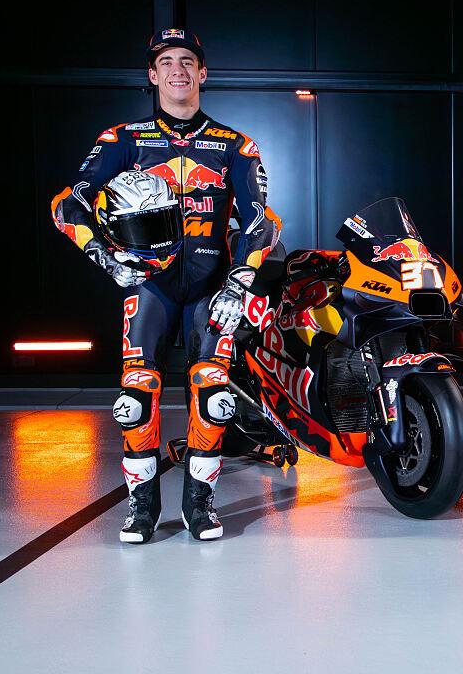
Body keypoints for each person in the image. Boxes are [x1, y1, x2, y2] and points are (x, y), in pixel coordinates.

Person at [51, 28, 281, 542]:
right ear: (153, 75)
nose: (178, 70)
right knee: (135, 398)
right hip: (149, 287)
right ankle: (143, 506)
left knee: (214, 395)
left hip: (212, 286)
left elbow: (260, 221)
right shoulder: (122, 140)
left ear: (203, 73)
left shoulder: (235, 145)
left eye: (187, 61)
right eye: (167, 62)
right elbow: (68, 205)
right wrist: (107, 260)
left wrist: (240, 282)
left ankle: (200, 504)